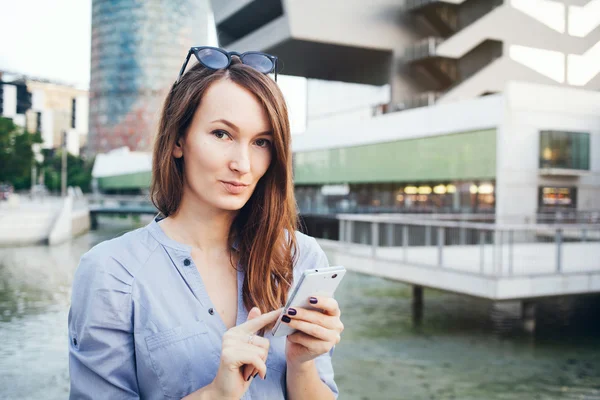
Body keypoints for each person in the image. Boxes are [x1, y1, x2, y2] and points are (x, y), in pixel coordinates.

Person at [68, 47, 344, 400]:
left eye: (261, 142)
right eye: (221, 135)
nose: (242, 163)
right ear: (179, 139)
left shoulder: (300, 256)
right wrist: (214, 395)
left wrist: (302, 363)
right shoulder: (111, 272)